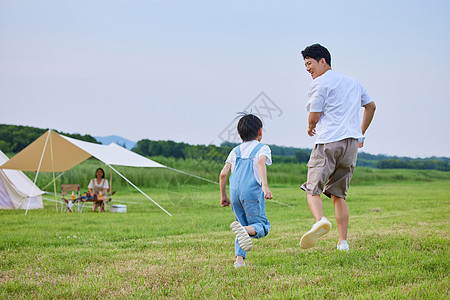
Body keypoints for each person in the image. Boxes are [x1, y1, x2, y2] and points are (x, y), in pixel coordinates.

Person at [299, 44, 376, 251]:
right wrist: (360, 132)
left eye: (309, 63)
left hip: (328, 141)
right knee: (339, 194)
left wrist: (310, 126)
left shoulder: (320, 83)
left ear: (322, 60)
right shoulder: (353, 82)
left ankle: (320, 220)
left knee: (312, 188)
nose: (307, 69)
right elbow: (371, 106)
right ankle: (343, 242)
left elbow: (314, 114)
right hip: (351, 144)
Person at [219, 113, 273, 268]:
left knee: (240, 223)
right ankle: (243, 230)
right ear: (260, 131)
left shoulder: (234, 151)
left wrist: (224, 196)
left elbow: (223, 174)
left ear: (240, 134)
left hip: (235, 192)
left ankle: (239, 260)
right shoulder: (262, 148)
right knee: (262, 226)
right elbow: (261, 162)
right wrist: (264, 185)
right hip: (251, 191)